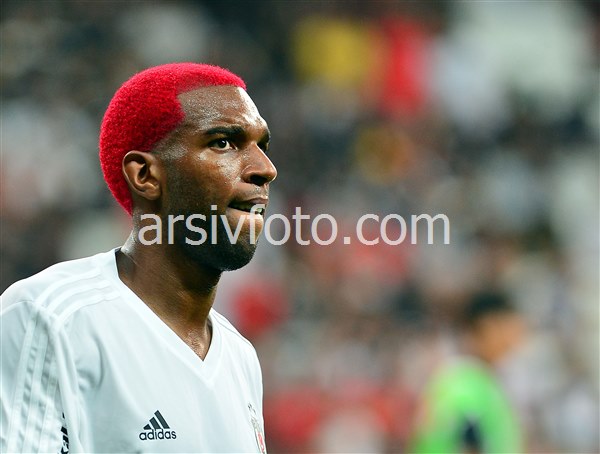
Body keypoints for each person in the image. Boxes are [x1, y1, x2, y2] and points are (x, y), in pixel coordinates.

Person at [1, 63, 276, 453]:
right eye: (223, 143)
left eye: (262, 146)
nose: (266, 169)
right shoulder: (51, 318)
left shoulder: (240, 357)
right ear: (145, 175)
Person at [410, 291, 526, 454]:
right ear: (487, 327)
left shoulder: (468, 380)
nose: (514, 337)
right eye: (508, 327)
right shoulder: (467, 386)